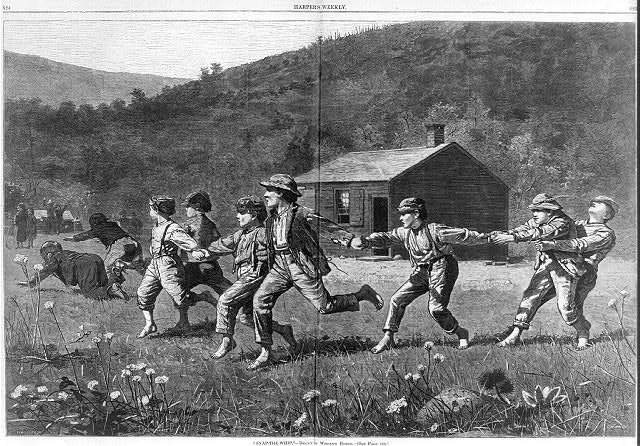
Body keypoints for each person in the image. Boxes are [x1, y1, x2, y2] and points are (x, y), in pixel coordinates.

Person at [249, 174, 384, 370]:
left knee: (325, 307)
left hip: (301, 265)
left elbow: (326, 226)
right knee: (260, 301)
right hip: (279, 267)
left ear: (281, 193)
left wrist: (349, 239)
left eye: (269, 190)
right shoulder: (270, 221)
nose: (265, 194)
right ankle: (265, 351)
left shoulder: (302, 213)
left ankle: (362, 294)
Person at [350, 197, 490, 353]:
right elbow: (386, 238)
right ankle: (388, 338)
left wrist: (489, 237)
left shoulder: (435, 230)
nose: (401, 218)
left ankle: (461, 333)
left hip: (443, 267)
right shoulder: (404, 232)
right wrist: (366, 241)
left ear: (416, 214)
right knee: (397, 299)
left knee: (436, 309)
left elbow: (464, 235)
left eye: (404, 214)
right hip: (421, 271)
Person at [204, 195, 297, 359]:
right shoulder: (240, 235)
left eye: (241, 213)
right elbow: (222, 245)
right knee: (246, 318)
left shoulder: (263, 233)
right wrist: (204, 250)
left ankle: (228, 342)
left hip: (257, 275)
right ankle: (283, 330)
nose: (237, 216)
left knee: (225, 300)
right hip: (245, 278)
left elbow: (281, 248)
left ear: (254, 215)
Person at [491, 193, 585, 347]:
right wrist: (504, 234)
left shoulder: (562, 222)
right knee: (530, 296)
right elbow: (524, 228)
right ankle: (514, 335)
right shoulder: (541, 220)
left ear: (550, 211)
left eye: (538, 210)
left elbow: (539, 233)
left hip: (566, 268)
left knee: (565, 307)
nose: (534, 214)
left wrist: (511, 239)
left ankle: (583, 332)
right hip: (547, 265)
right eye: (533, 210)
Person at [535, 196, 618, 350]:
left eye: (601, 204)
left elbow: (580, 244)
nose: (594, 202)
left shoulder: (606, 234)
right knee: (534, 298)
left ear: (606, 215)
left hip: (584, 273)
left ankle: (582, 333)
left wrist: (551, 244)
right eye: (594, 201)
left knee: (569, 307)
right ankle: (515, 331)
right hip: (561, 267)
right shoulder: (577, 224)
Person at [136, 196, 214, 338]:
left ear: (157, 210)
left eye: (150, 208)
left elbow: (189, 243)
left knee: (181, 298)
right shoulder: (156, 226)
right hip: (155, 265)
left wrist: (196, 251)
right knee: (143, 293)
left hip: (169, 265)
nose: (149, 211)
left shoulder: (172, 228)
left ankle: (203, 296)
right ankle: (150, 324)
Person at [64, 213, 145, 294]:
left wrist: (72, 238)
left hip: (120, 245)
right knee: (137, 266)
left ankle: (109, 289)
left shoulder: (98, 229)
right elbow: (112, 233)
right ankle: (119, 276)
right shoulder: (113, 224)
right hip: (134, 243)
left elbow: (86, 235)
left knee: (106, 267)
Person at [18, 241, 128, 300]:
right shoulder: (65, 253)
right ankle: (116, 273)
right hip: (95, 258)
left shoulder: (54, 258)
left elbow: (45, 271)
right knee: (103, 284)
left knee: (90, 293)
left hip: (83, 264)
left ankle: (111, 290)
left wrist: (31, 283)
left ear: (48, 254)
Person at [180, 190, 233, 303]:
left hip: (194, 267)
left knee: (178, 291)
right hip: (209, 265)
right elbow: (217, 242)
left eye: (188, 206)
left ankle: (185, 317)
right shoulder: (210, 224)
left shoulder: (187, 225)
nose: (186, 210)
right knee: (229, 291)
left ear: (197, 206)